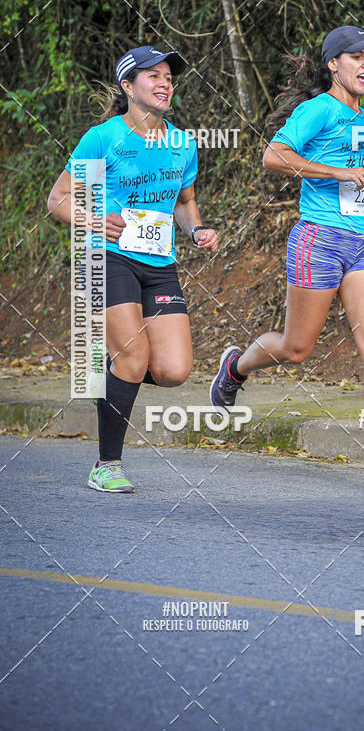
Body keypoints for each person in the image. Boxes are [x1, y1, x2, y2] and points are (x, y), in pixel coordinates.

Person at [210, 24, 364, 485]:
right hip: (319, 239)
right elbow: (274, 156)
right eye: (356, 56)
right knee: (297, 349)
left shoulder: (362, 117)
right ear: (333, 64)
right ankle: (235, 367)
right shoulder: (317, 109)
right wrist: (336, 171)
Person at [48, 45, 218, 493]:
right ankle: (107, 464)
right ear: (128, 87)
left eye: (168, 76)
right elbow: (59, 199)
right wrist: (91, 219)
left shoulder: (182, 143)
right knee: (134, 355)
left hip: (160, 263)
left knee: (173, 369)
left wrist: (198, 230)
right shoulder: (103, 138)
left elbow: (185, 203)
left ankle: (114, 366)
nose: (165, 83)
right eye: (153, 76)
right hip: (108, 256)